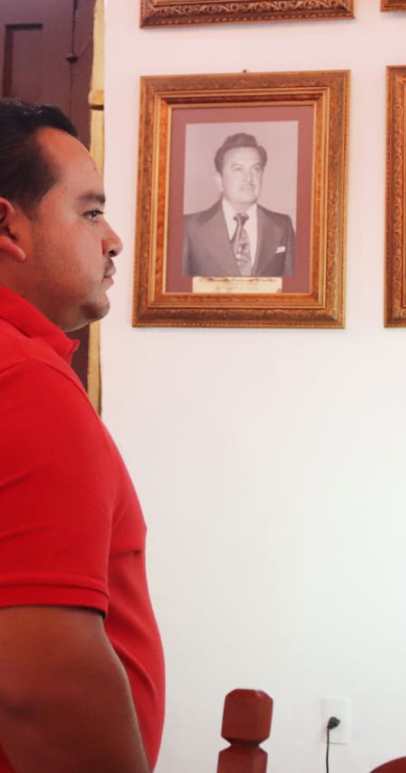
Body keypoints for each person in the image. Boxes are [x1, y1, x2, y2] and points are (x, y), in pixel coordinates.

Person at [0, 98, 164, 771]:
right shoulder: (23, 379)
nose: (113, 239)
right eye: (91, 212)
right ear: (8, 227)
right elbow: (42, 689)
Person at [182, 132, 295, 278]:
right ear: (219, 180)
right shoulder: (190, 227)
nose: (249, 178)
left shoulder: (282, 226)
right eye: (238, 169)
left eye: (256, 169)